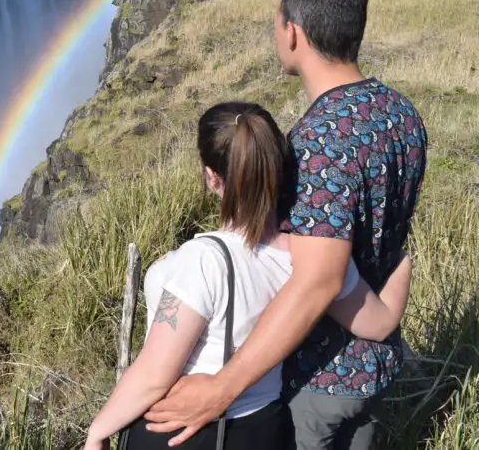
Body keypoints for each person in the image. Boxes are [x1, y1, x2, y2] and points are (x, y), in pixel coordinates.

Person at [142, 0, 428, 449]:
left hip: (316, 380)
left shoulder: (318, 143)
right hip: (372, 369)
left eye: (277, 24)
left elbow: (318, 280)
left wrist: (222, 389)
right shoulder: (400, 113)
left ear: (293, 32)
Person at [83, 101, 413, 450]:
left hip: (184, 430)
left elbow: (153, 376)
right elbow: (378, 323)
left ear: (211, 176)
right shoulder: (316, 258)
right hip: (263, 428)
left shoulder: (203, 260)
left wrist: (98, 430)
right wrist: (402, 258)